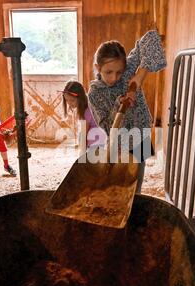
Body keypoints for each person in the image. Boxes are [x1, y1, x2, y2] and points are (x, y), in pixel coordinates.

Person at [88, 29, 166, 193]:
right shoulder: (95, 93)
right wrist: (119, 105)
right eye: (108, 72)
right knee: (117, 189)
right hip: (119, 144)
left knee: (134, 190)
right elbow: (108, 126)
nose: (115, 78)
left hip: (140, 137)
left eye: (119, 72)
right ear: (97, 67)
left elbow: (152, 37)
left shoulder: (129, 68)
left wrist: (140, 76)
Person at [60, 80, 107, 152]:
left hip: (97, 144)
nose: (69, 103)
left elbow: (84, 134)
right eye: (67, 100)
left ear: (80, 98)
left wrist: (82, 154)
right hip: (98, 141)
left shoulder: (86, 111)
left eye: (72, 100)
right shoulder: (86, 105)